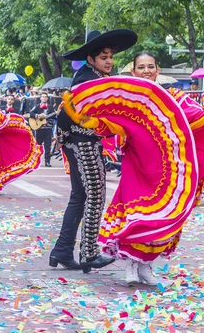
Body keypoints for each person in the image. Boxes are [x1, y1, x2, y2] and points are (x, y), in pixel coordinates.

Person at [63, 74, 204, 284]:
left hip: (165, 169)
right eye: (141, 67)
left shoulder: (178, 99)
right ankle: (131, 265)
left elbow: (198, 118)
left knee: (160, 217)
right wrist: (87, 116)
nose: (146, 70)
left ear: (156, 70)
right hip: (137, 164)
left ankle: (146, 265)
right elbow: (111, 122)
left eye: (150, 67)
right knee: (135, 215)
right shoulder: (130, 97)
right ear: (135, 72)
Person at [50, 29, 138, 273]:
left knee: (79, 197)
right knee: (96, 195)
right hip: (83, 142)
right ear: (90, 58)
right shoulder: (88, 80)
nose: (109, 60)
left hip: (81, 141)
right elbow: (74, 112)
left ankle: (62, 250)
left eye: (110, 56)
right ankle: (89, 253)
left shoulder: (92, 76)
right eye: (103, 56)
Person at [29, 93, 57, 167]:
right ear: (40, 98)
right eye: (43, 97)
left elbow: (55, 117)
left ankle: (47, 162)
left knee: (48, 146)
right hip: (39, 129)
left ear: (47, 98)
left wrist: (56, 114)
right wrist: (38, 116)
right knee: (38, 145)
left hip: (48, 129)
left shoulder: (51, 107)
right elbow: (30, 113)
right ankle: (35, 161)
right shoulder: (37, 106)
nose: (44, 98)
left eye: (45, 97)